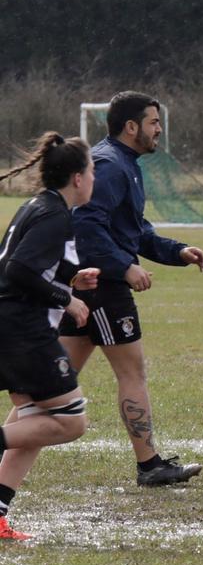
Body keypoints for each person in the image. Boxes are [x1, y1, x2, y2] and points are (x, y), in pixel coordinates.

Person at [61, 91, 203, 488]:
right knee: (132, 372)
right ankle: (150, 465)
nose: (159, 129)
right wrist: (123, 268)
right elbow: (87, 225)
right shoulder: (111, 165)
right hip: (102, 287)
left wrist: (177, 251)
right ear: (132, 127)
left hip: (89, 285)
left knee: (53, 380)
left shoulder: (123, 163)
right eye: (154, 122)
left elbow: (133, 230)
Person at [0, 134, 101, 540]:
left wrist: (69, 279)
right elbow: (18, 271)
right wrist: (67, 298)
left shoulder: (39, 206)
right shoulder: (54, 215)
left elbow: (20, 263)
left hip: (11, 323)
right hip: (22, 328)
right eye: (92, 171)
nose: (95, 178)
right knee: (71, 421)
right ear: (77, 178)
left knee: (34, 420)